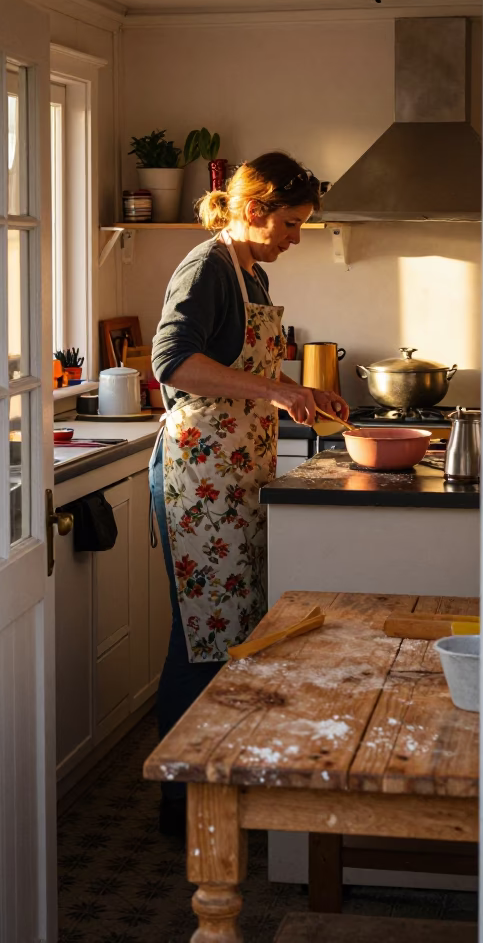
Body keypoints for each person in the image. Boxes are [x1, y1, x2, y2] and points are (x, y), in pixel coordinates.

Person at [148, 151, 346, 832]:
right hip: (200, 476)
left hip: (236, 472)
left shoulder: (251, 273)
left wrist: (298, 390)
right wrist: (276, 388)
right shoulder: (207, 267)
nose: (296, 237)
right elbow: (172, 362)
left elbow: (240, 364)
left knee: (229, 630)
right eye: (291, 224)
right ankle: (183, 803)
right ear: (255, 209)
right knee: (202, 636)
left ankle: (217, 788)